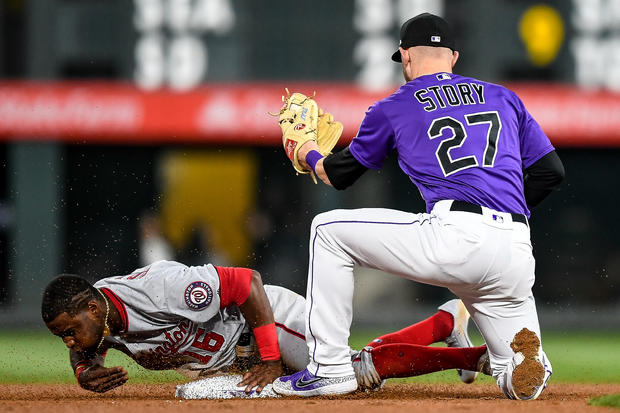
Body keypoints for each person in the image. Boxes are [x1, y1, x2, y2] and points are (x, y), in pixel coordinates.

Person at [272, 13, 564, 400]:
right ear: (454, 56)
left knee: (328, 231)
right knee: (520, 386)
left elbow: (337, 175)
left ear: (405, 57)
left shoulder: (396, 106)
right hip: (514, 247)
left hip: (454, 237)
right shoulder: (504, 97)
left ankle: (329, 368)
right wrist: (502, 215)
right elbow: (551, 172)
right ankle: (525, 365)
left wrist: (307, 152)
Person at [41, 259, 488, 395]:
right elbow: (86, 347)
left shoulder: (158, 290)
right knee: (353, 367)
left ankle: (476, 357)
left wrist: (272, 360)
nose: (69, 341)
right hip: (239, 352)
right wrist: (83, 371)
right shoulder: (98, 320)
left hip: (269, 322)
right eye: (62, 336)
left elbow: (246, 282)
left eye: (69, 329)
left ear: (91, 307)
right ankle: (444, 321)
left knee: (352, 377)